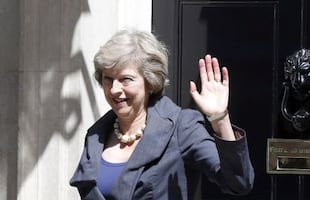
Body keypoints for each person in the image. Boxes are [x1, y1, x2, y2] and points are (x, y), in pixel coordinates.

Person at [69, 28, 254, 200]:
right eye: (108, 79)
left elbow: (238, 183)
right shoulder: (97, 135)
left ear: (150, 81)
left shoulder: (181, 127)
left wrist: (220, 119)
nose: (114, 89)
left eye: (126, 79)